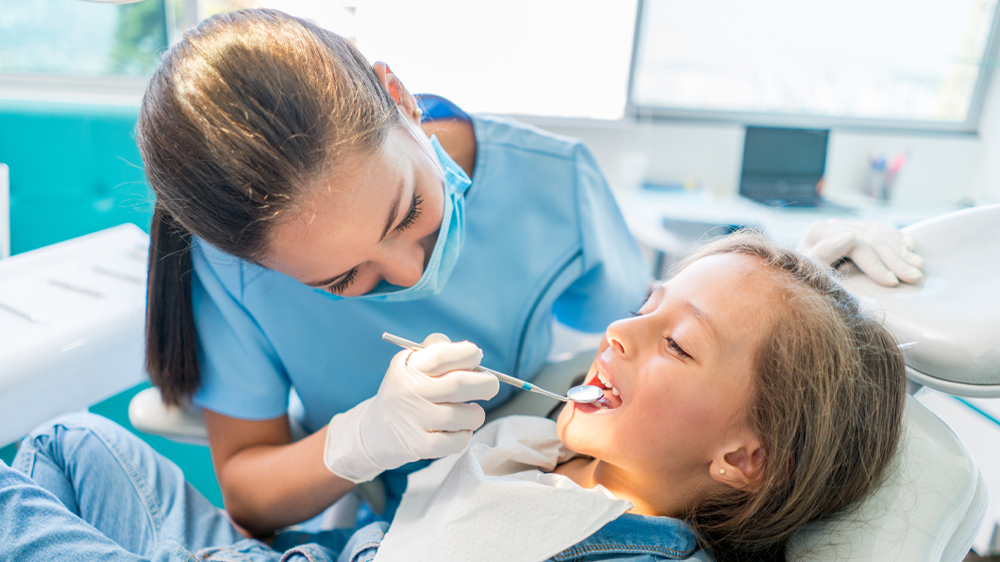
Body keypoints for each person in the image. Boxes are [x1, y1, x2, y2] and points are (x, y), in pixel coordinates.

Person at [137, 7, 921, 536]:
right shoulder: (226, 267)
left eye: (409, 214)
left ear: (396, 95)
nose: (409, 274)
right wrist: (356, 443)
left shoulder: (553, 181)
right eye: (342, 280)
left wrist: (807, 294)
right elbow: (247, 491)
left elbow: (689, 354)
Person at [4, 232, 906, 562]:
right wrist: (793, 272)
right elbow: (754, 366)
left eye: (673, 342)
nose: (618, 334)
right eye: (642, 307)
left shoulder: (623, 553)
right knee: (64, 440)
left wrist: (811, 335)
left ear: (744, 458)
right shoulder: (560, 456)